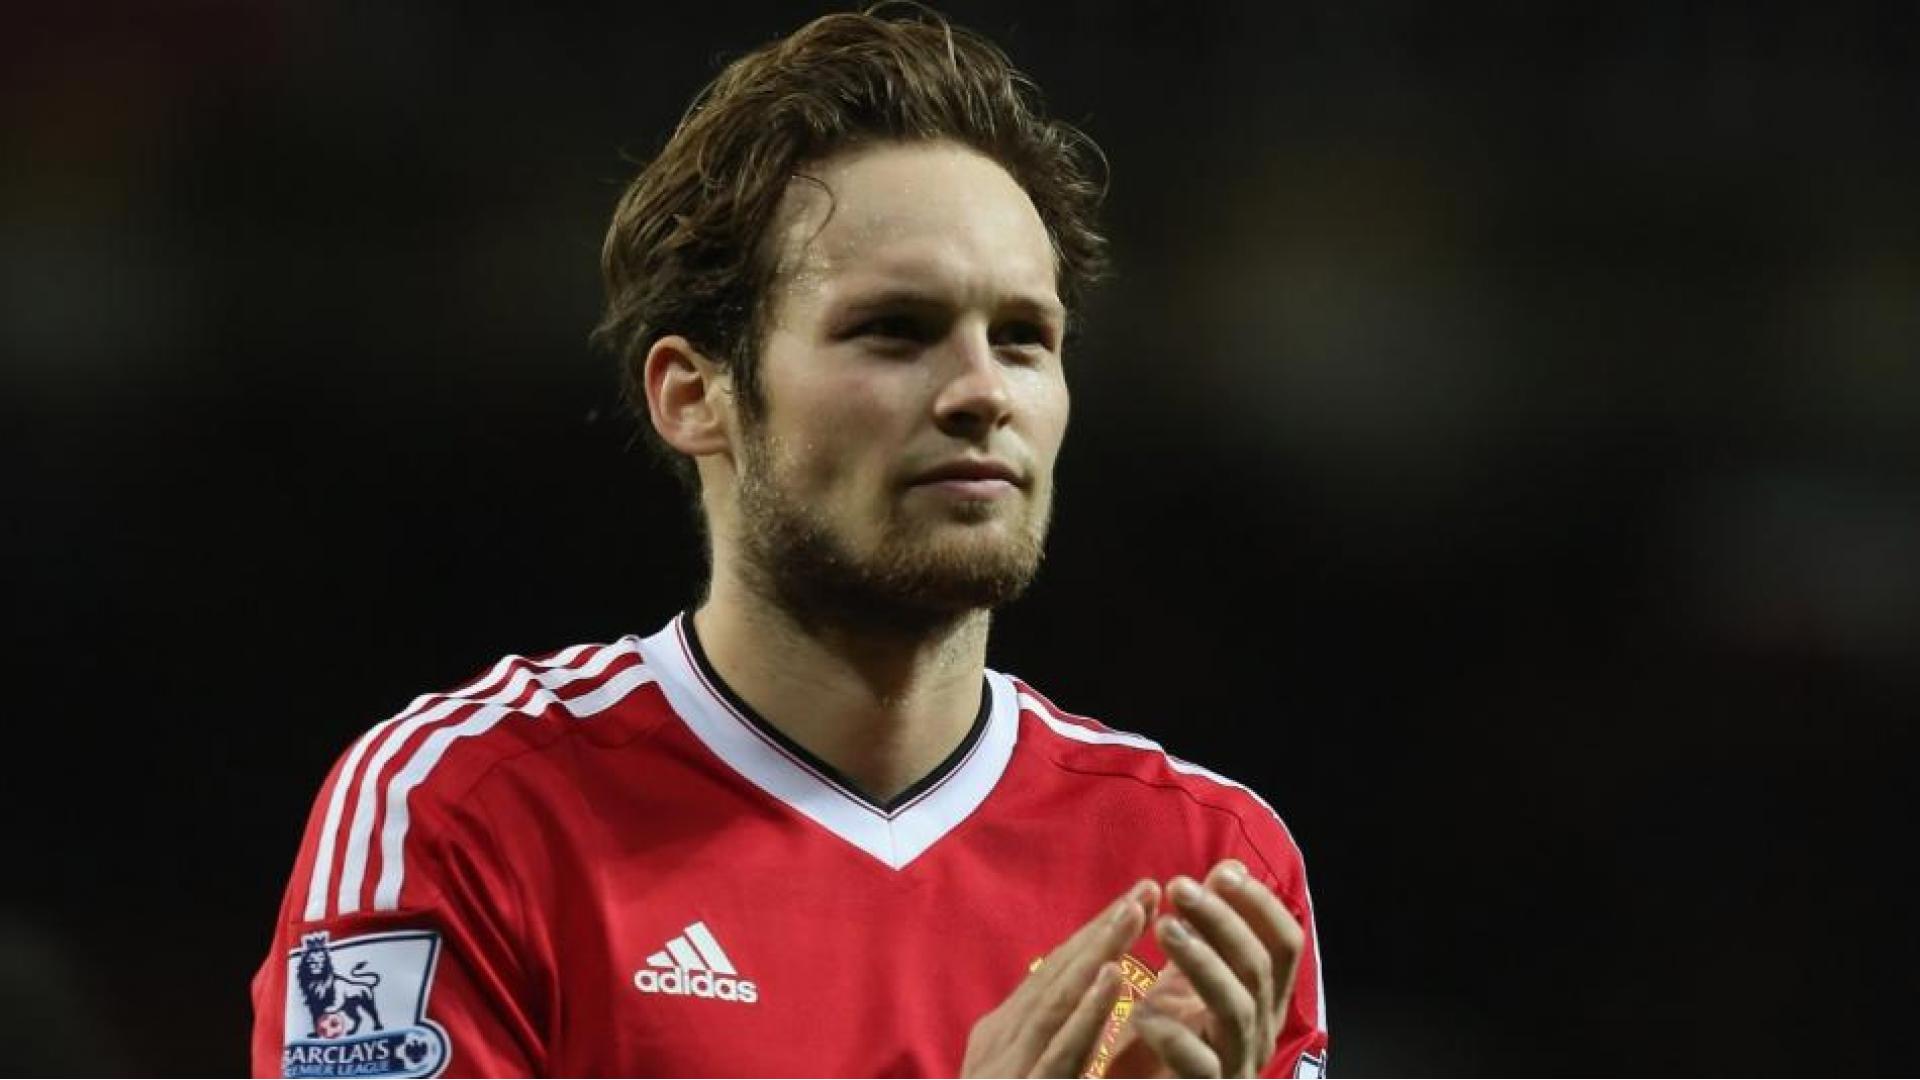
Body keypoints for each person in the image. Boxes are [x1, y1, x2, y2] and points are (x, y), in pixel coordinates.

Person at [251, 8, 1329, 1078]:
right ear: (695, 394)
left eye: (1022, 339)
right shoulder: (463, 812)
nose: (981, 391)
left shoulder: (1209, 869)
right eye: (894, 330)